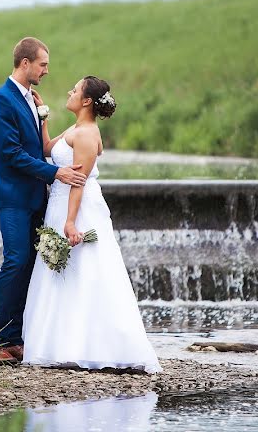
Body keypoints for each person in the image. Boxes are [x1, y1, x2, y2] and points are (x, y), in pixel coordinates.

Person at [22, 76, 161, 373]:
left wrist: (71, 222)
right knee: (63, 274)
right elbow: (47, 150)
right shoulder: (75, 128)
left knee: (86, 271)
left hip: (79, 208)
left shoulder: (86, 134)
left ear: (86, 101)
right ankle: (57, 342)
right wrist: (42, 113)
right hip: (60, 205)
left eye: (75, 90)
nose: (69, 92)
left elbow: (79, 182)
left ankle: (92, 345)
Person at [0, 37, 88, 364]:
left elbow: (37, 145)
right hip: (14, 196)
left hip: (36, 197)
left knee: (31, 265)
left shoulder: (31, 98)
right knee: (16, 260)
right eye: (42, 64)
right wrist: (55, 173)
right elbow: (11, 153)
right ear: (25, 63)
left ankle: (16, 339)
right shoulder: (0, 99)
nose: (46, 70)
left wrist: (43, 116)